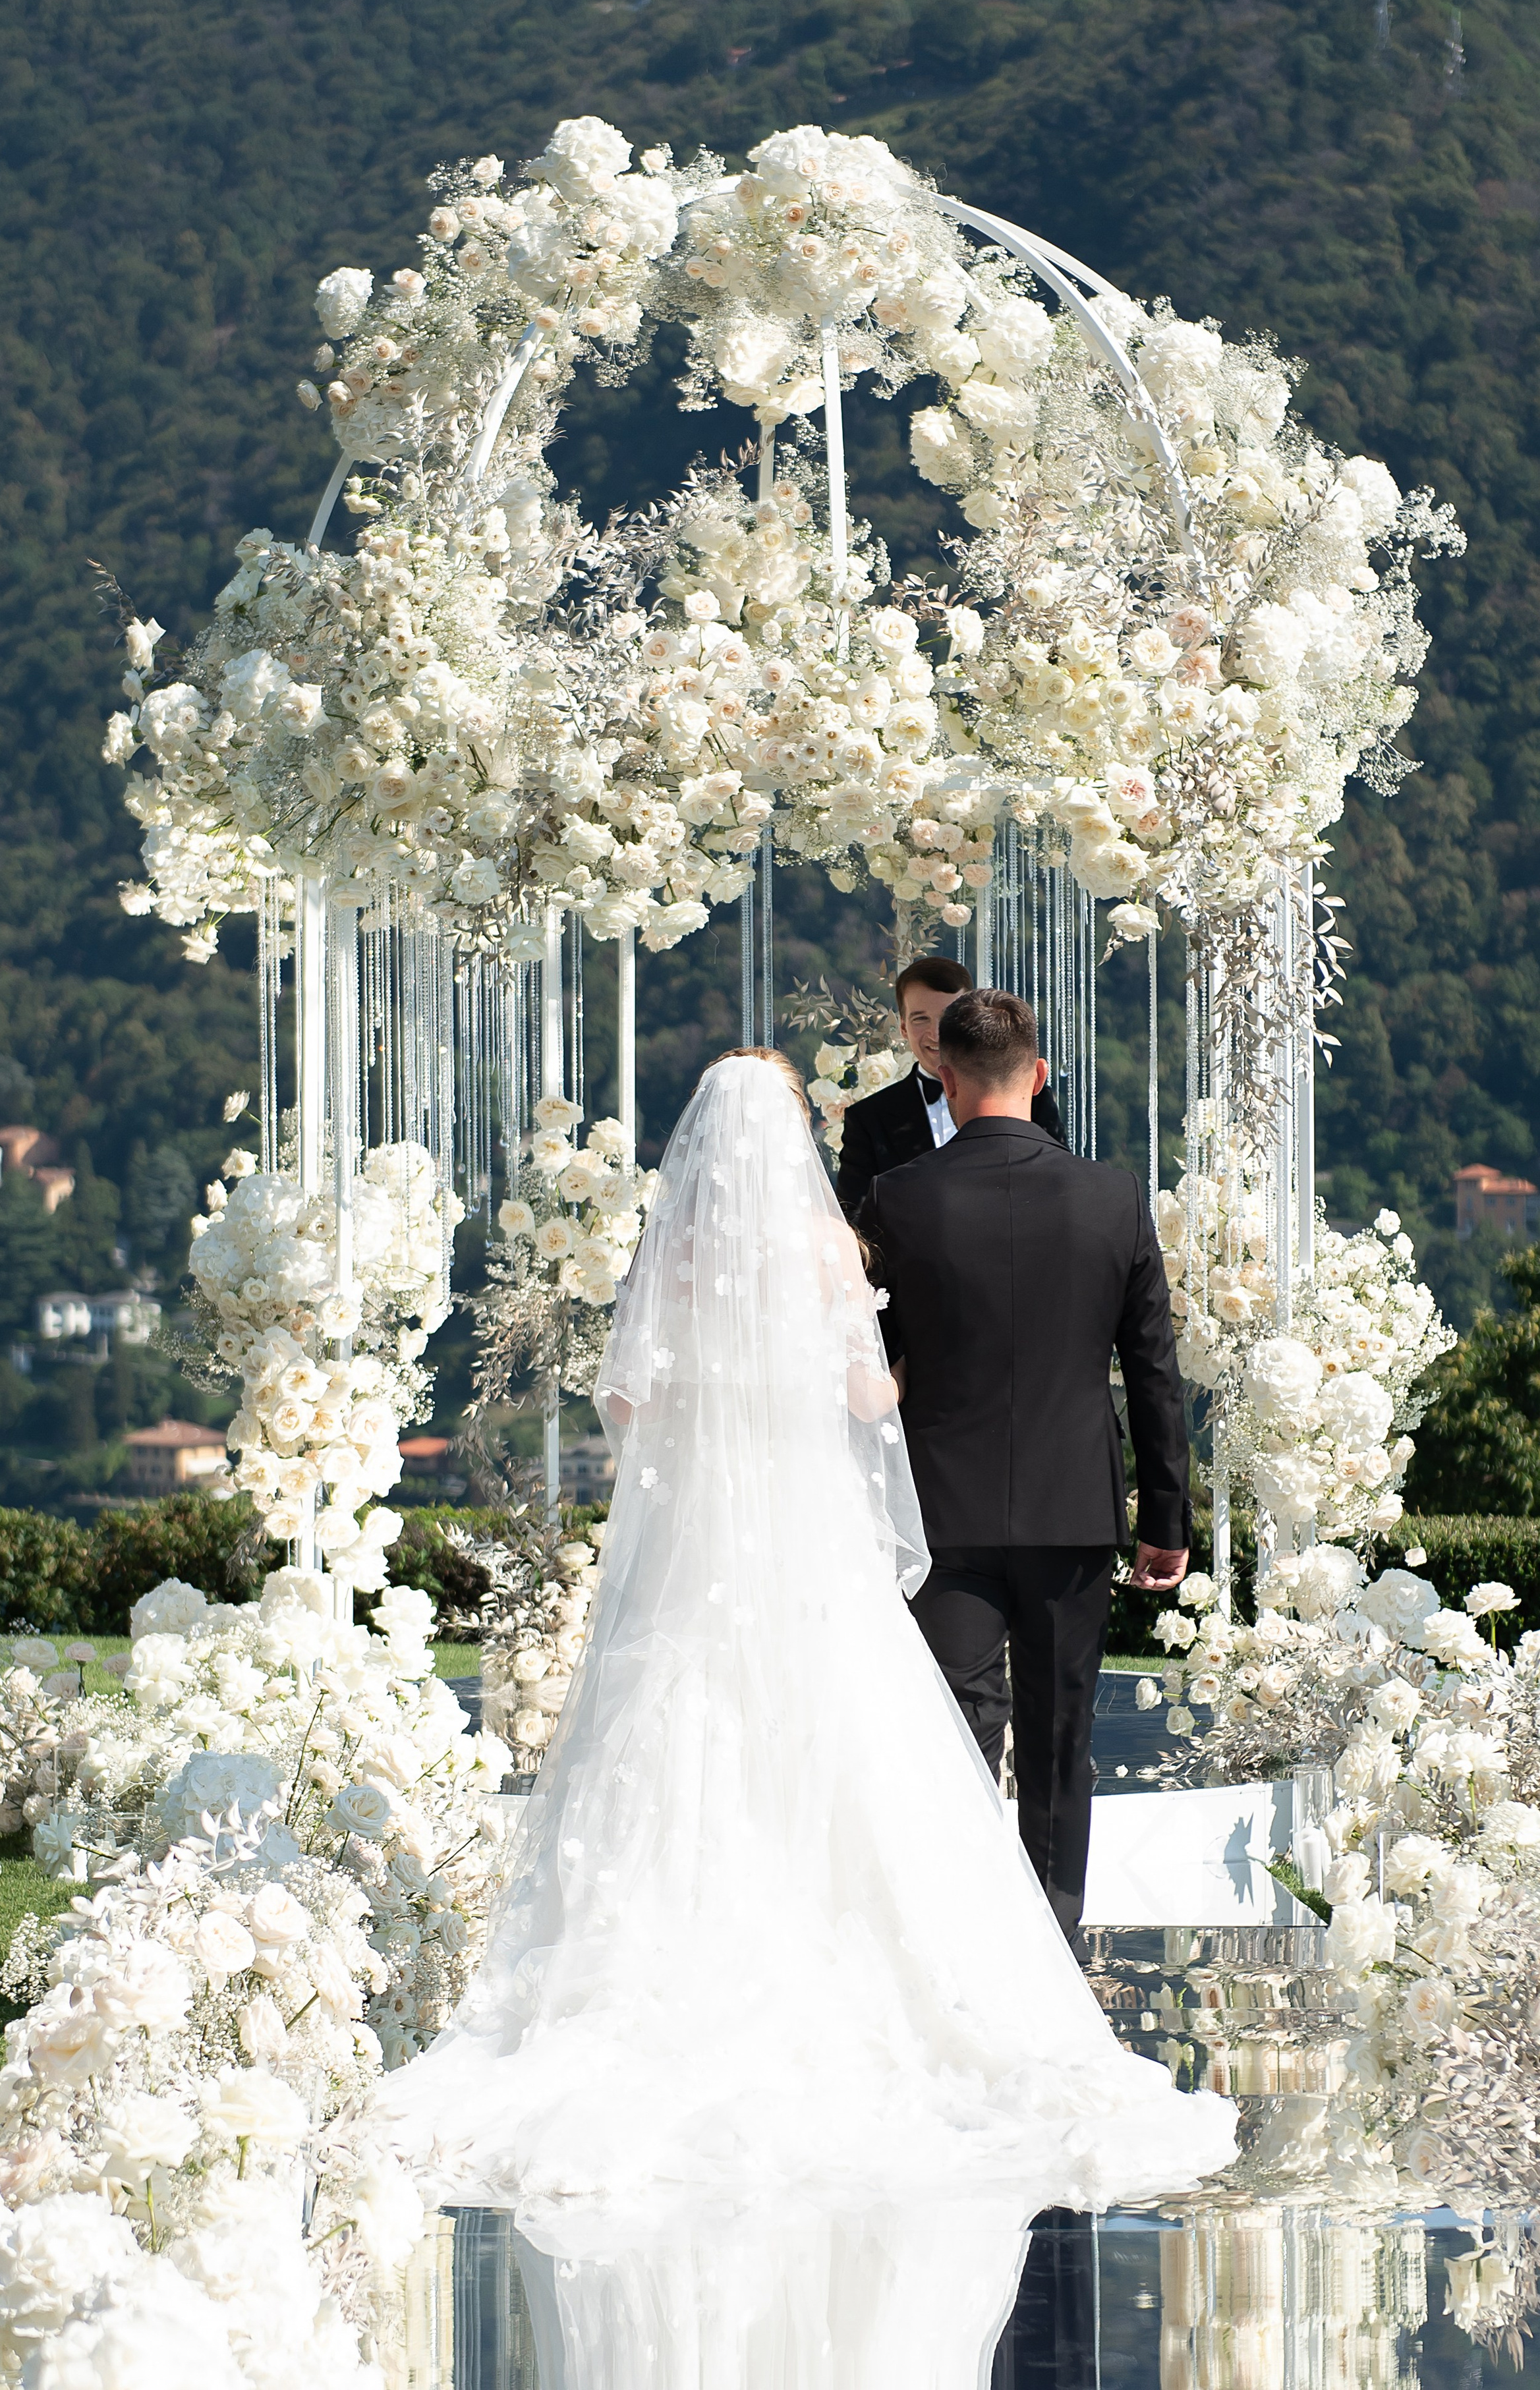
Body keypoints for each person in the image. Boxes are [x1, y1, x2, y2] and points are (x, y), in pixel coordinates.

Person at [384, 1048, 1231, 2234]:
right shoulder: (833, 1247)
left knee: (681, 1732)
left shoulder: (675, 1252)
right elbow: (872, 1402)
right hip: (809, 1530)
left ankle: (668, 1972)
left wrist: (702, 1431)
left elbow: (625, 1400)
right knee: (860, 1737)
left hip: (702, 1539)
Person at [857, 989, 1192, 1943]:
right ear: (1039, 1075)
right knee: (1059, 1734)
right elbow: (1153, 1369)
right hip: (1071, 1505)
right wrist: (1166, 1518)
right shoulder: (1113, 1196)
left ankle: (957, 1937)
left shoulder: (896, 1198)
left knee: (955, 1729)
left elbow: (868, 1360)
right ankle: (1052, 1938)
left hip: (940, 1509)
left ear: (944, 1077)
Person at [835, 954, 1063, 1222]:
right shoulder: (868, 1119)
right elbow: (855, 1218)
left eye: (948, 1017)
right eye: (921, 1019)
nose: (936, 1034)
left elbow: (1058, 1181)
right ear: (904, 1028)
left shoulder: (1029, 1097)